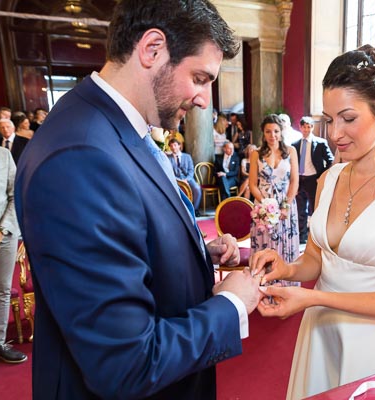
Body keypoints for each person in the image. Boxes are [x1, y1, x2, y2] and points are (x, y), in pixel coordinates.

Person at [14, 1, 262, 398]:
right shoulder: (81, 157)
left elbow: (131, 232)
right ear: (152, 49)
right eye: (199, 77)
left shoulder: (117, 127)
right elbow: (126, 364)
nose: (203, 100)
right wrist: (231, 305)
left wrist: (194, 249)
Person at [250, 45, 375, 399]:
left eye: (348, 118)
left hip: (374, 345)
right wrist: (288, 270)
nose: (335, 133)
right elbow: (316, 259)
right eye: (329, 119)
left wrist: (312, 299)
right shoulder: (330, 178)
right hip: (320, 333)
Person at [0, 141, 28, 364]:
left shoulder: (2, 155)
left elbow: (15, 196)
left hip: (4, 232)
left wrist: (0, 233)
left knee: (1, 290)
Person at [249, 114, 301, 286]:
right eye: (268, 131)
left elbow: (294, 181)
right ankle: (263, 285)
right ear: (263, 133)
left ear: (281, 132)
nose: (273, 135)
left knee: (284, 245)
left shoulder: (291, 151)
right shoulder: (256, 154)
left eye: (276, 131)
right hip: (263, 204)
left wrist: (284, 207)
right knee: (265, 244)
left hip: (286, 202)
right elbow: (253, 184)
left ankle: (286, 285)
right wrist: (265, 205)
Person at [292, 116, 334, 244]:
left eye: (309, 127)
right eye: (304, 127)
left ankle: (314, 236)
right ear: (300, 128)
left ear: (312, 127)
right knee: (300, 209)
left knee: (315, 209)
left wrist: (321, 175)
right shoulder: (295, 144)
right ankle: (302, 237)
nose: (307, 129)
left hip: (313, 179)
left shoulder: (320, 143)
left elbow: (330, 160)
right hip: (299, 180)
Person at [167, 138, 202, 217]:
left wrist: (186, 179)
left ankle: (195, 209)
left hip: (188, 178)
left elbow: (191, 170)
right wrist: (179, 181)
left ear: (179, 146)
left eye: (175, 145)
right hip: (176, 180)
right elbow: (170, 172)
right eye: (171, 146)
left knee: (197, 189)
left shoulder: (187, 156)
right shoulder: (168, 158)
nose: (173, 147)